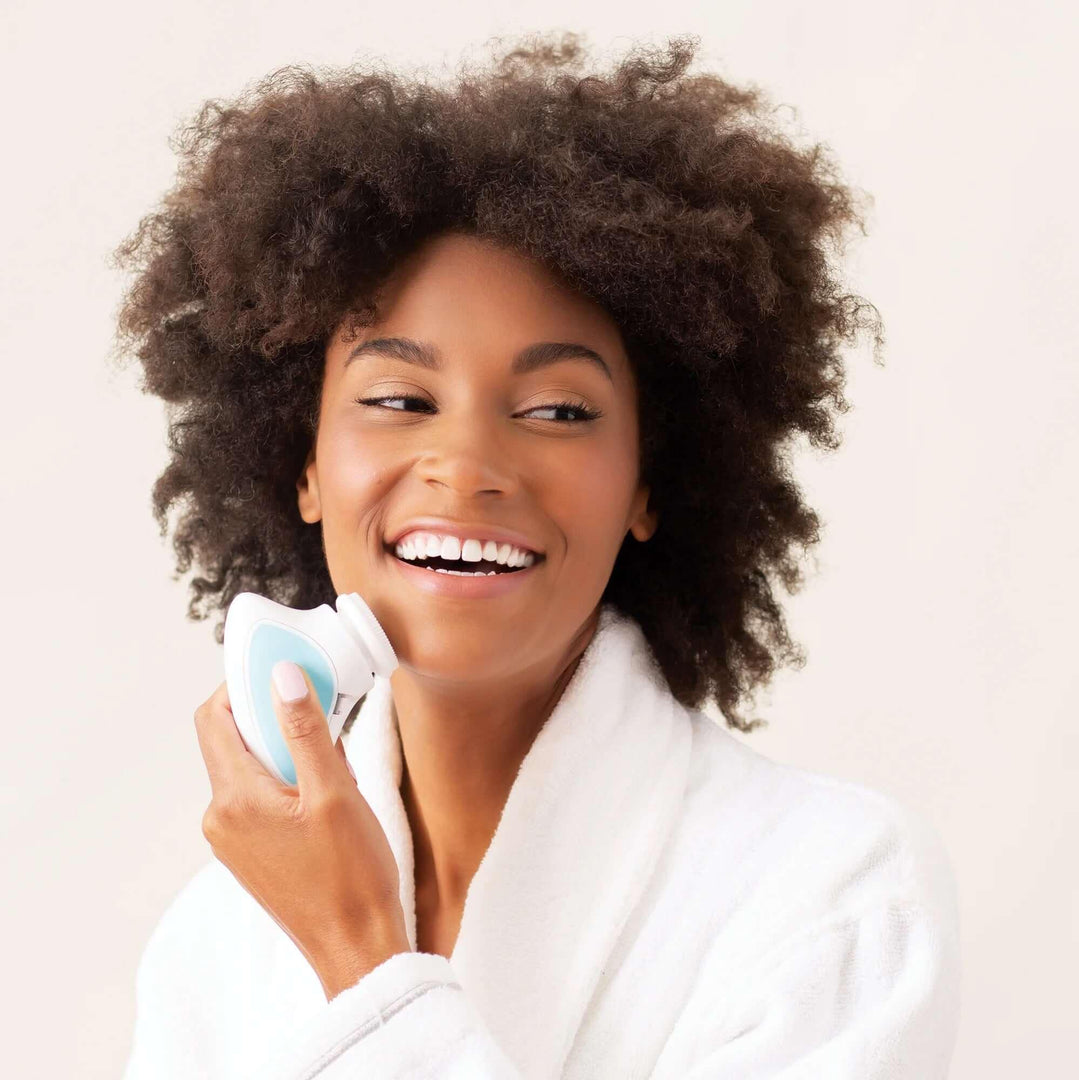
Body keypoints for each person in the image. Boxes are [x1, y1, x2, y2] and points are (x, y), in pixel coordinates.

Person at [112, 31, 961, 1078]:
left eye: (559, 410)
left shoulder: (836, 902)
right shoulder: (214, 950)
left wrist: (365, 964)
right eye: (398, 399)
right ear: (304, 463)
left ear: (650, 481)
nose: (467, 466)